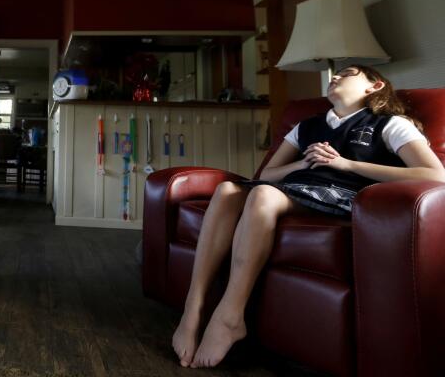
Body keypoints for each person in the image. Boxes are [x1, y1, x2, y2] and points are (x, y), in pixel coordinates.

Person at [171, 65, 445, 368]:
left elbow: (435, 174)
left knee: (262, 195)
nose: (335, 76)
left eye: (348, 72)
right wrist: (301, 164)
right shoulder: (307, 126)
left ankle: (230, 316)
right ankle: (192, 310)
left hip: (345, 196)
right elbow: (269, 173)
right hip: (297, 188)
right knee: (226, 191)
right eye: (335, 73)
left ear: (374, 86)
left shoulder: (391, 124)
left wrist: (347, 165)